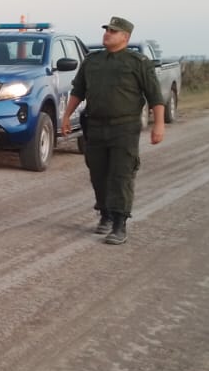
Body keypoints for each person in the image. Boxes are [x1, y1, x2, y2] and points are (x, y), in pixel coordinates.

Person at [61, 16, 165, 245]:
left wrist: (159, 125)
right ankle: (105, 215)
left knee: (121, 174)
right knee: (98, 173)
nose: (107, 33)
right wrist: (67, 116)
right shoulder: (92, 61)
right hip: (96, 126)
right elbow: (78, 91)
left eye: (113, 31)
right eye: (107, 29)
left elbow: (155, 96)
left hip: (125, 127)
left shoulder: (138, 62)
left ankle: (120, 224)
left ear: (125, 37)